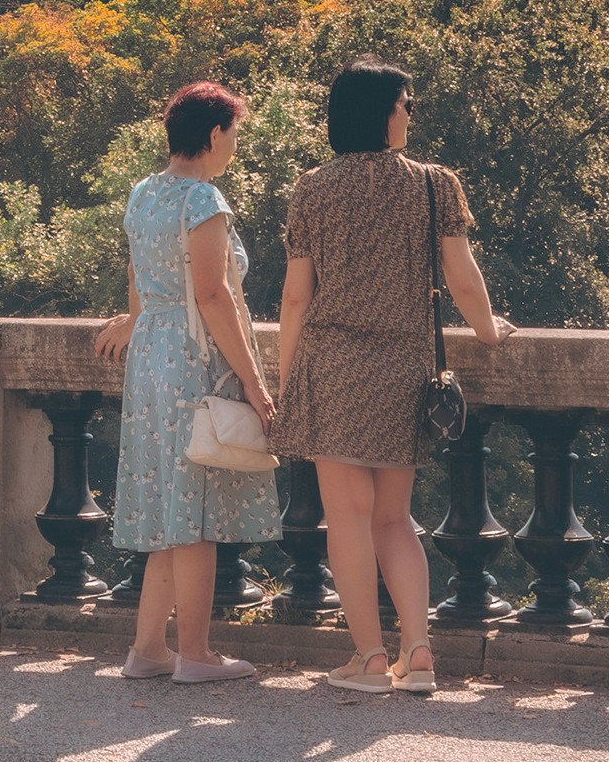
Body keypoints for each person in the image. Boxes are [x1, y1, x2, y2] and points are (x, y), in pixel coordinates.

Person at [273, 58, 514, 694]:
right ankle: (420, 651)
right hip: (404, 365)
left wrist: (287, 378)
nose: (409, 113)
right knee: (394, 518)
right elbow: (460, 277)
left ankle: (370, 661)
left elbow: (296, 297)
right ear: (380, 111)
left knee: (346, 519)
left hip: (334, 364)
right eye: (404, 103)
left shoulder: (312, 188)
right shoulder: (436, 185)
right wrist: (489, 331)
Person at [95, 81, 281, 684]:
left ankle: (148, 649)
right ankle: (196, 655)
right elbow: (212, 294)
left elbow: (140, 277)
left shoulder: (144, 194)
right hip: (193, 360)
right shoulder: (204, 201)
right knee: (195, 512)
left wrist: (136, 317)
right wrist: (254, 384)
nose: (234, 143)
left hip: (152, 356)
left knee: (172, 508)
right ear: (212, 134)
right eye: (232, 132)